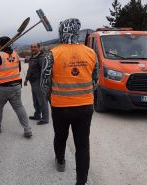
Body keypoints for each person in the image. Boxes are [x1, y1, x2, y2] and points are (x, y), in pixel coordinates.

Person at [41, 19, 98, 185]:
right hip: (85, 106)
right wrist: (86, 94)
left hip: (60, 106)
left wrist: (50, 98)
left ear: (61, 32)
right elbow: (96, 80)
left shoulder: (52, 53)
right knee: (82, 145)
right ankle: (81, 182)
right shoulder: (91, 53)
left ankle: (60, 162)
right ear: (77, 32)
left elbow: (44, 83)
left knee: (60, 137)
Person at [0, 36, 32, 138]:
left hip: (2, 88)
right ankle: (27, 129)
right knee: (19, 107)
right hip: (16, 86)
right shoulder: (15, 54)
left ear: (1, 44)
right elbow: (18, 69)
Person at [24, 42, 49, 125]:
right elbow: (30, 70)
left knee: (42, 101)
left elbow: (44, 70)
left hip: (39, 82)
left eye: (35, 47)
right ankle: (37, 115)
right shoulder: (32, 57)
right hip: (33, 82)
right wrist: (26, 79)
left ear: (39, 48)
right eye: (31, 47)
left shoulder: (41, 58)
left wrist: (43, 82)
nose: (33, 48)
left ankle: (45, 118)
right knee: (35, 100)